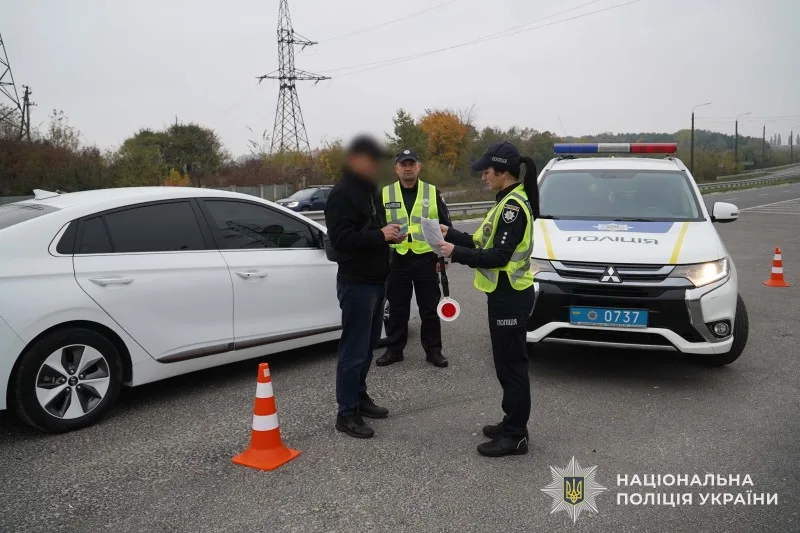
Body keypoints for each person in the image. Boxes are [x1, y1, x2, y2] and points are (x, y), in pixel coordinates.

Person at [437, 141, 540, 457]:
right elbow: (480, 241)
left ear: (503, 172)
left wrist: (455, 253)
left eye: (487, 171)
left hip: (511, 295)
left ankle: (516, 435)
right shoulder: (505, 201)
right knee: (505, 365)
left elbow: (498, 256)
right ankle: (511, 421)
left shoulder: (512, 207)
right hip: (504, 294)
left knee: (512, 367)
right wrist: (450, 234)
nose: (483, 176)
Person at [324, 134, 405, 439]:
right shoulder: (342, 193)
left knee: (368, 347)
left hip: (376, 279)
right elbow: (342, 240)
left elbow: (372, 229)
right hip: (356, 282)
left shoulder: (369, 190)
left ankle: (359, 396)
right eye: (371, 160)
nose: (375, 166)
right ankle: (346, 414)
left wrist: (390, 235)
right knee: (354, 351)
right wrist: (380, 236)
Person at [376, 149, 453, 368]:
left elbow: (446, 226)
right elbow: (377, 228)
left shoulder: (432, 192)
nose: (408, 168)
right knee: (397, 309)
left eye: (411, 164)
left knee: (429, 309)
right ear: (396, 168)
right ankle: (394, 350)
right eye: (403, 164)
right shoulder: (384, 194)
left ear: (419, 167)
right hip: (397, 259)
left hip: (426, 259)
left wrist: (444, 258)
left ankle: (434, 351)